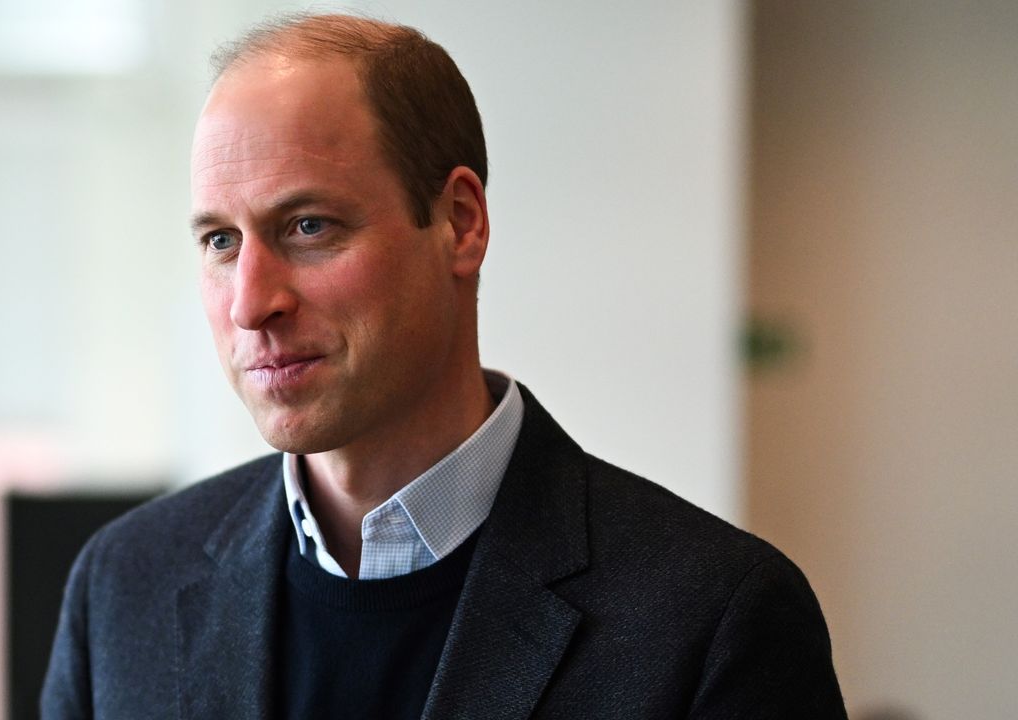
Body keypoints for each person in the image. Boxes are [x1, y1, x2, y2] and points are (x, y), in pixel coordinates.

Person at [41, 13, 847, 719]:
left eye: (309, 226)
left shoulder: (712, 620)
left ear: (460, 224)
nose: (251, 303)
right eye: (221, 241)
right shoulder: (122, 589)